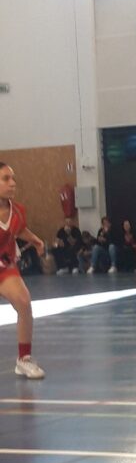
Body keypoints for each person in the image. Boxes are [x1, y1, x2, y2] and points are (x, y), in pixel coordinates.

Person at [0, 162, 45, 378]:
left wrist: (36, 240)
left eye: (13, 178)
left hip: (5, 268)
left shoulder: (17, 210)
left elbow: (19, 229)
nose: (12, 183)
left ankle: (24, 359)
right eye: (5, 179)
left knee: (24, 302)